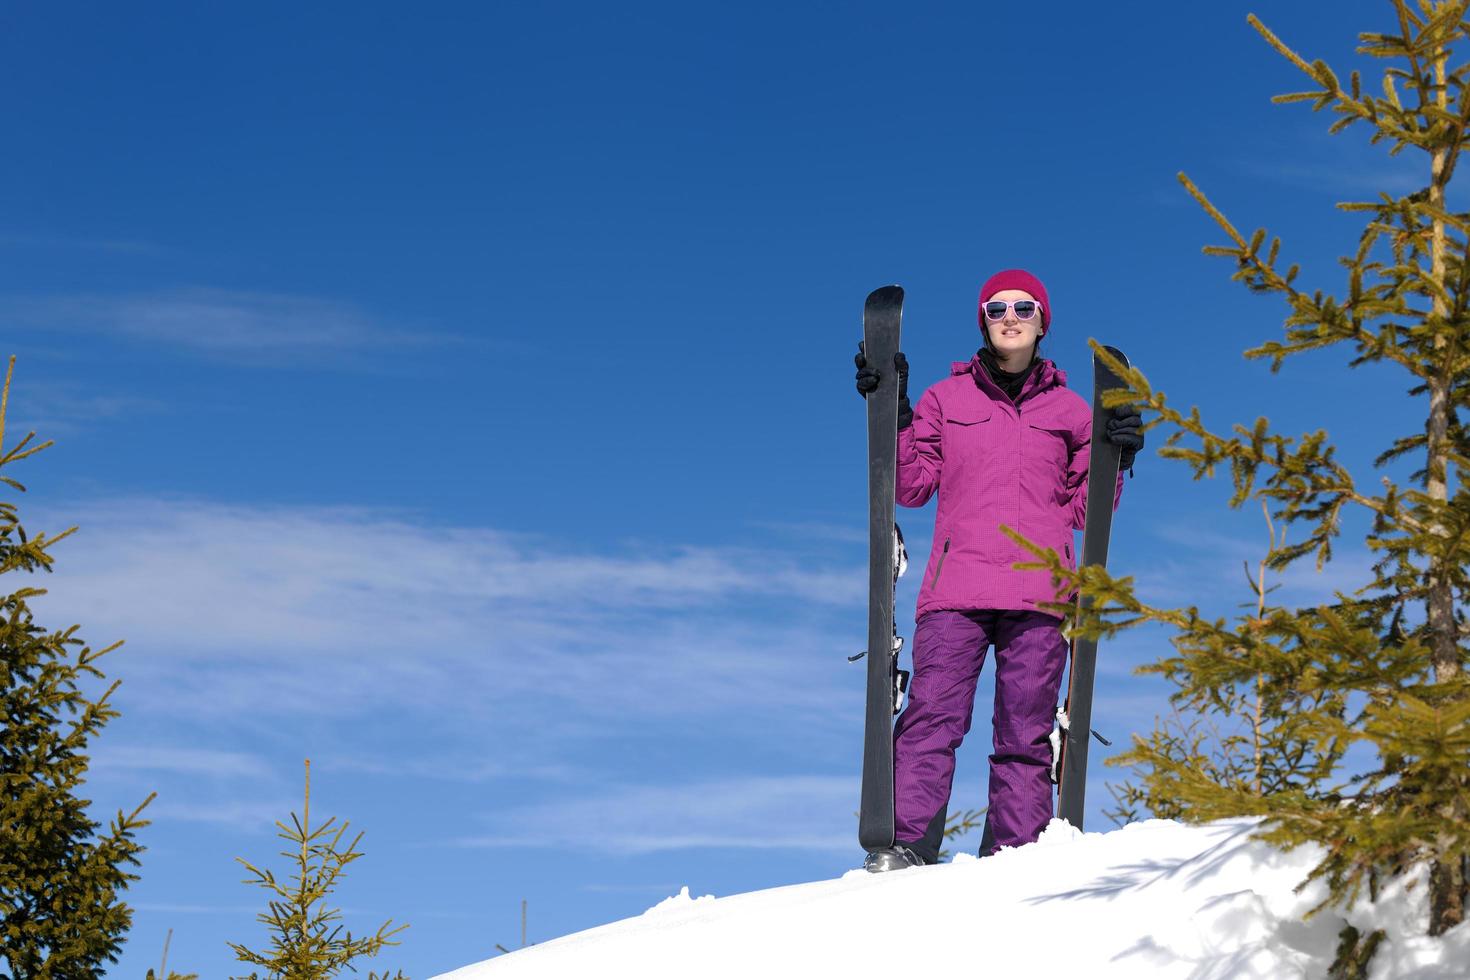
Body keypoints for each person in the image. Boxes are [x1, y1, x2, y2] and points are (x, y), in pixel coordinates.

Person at [853, 268, 1142, 871]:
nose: (1010, 316)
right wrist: (895, 416)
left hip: (1040, 594)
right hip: (956, 590)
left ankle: (1014, 856)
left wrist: (1116, 455)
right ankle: (906, 843)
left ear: (1043, 322)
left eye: (1024, 307)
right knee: (932, 717)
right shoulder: (945, 399)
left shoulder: (1070, 411)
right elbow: (911, 486)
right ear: (983, 321)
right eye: (996, 308)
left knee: (1025, 735)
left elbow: (1090, 511)